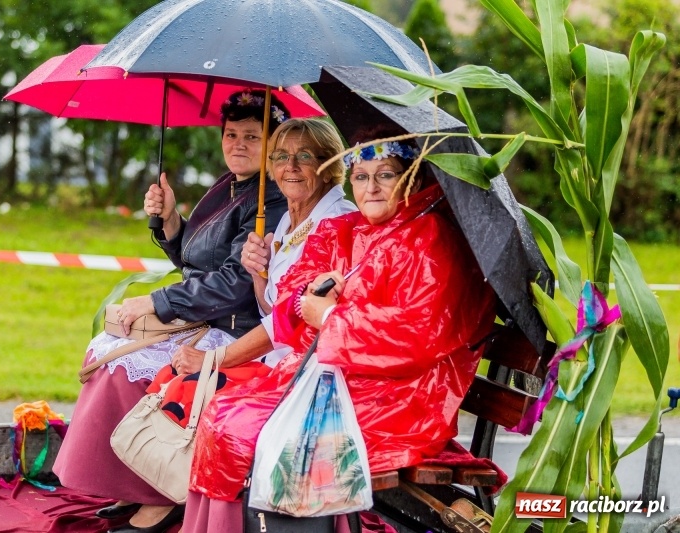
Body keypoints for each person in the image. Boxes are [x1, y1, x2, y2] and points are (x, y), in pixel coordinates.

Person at [181, 129, 499, 532]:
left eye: (385, 174)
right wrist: (307, 299)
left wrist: (331, 318)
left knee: (249, 430)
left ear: (412, 180)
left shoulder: (430, 240)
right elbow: (290, 298)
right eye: (362, 176)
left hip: (401, 398)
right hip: (340, 378)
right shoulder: (347, 229)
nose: (371, 187)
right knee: (224, 413)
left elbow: (417, 335)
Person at [53, 89, 290, 533]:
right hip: (201, 316)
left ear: (274, 143)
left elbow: (235, 285)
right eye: (231, 134)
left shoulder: (269, 201)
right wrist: (171, 222)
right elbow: (193, 261)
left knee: (129, 368)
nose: (238, 144)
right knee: (115, 350)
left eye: (252, 137)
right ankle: (131, 482)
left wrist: (157, 302)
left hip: (234, 333)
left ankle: (162, 496)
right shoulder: (228, 186)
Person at [116, 118, 356, 532]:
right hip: (278, 357)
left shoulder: (336, 222)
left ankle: (192, 514)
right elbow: (272, 305)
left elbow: (290, 324)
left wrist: (213, 358)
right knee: (169, 378)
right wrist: (259, 274)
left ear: (329, 164)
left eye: (304, 156)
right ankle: (167, 496)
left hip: (305, 371)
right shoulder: (288, 219)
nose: (290, 167)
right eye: (281, 156)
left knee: (208, 399)